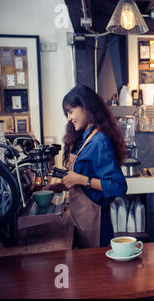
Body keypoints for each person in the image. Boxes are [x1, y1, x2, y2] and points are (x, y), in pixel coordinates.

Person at [61, 85, 127, 248]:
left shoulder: (99, 140)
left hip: (96, 224)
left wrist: (81, 179)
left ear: (85, 106)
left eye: (70, 111)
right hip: (83, 222)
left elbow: (118, 186)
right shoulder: (86, 138)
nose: (69, 118)